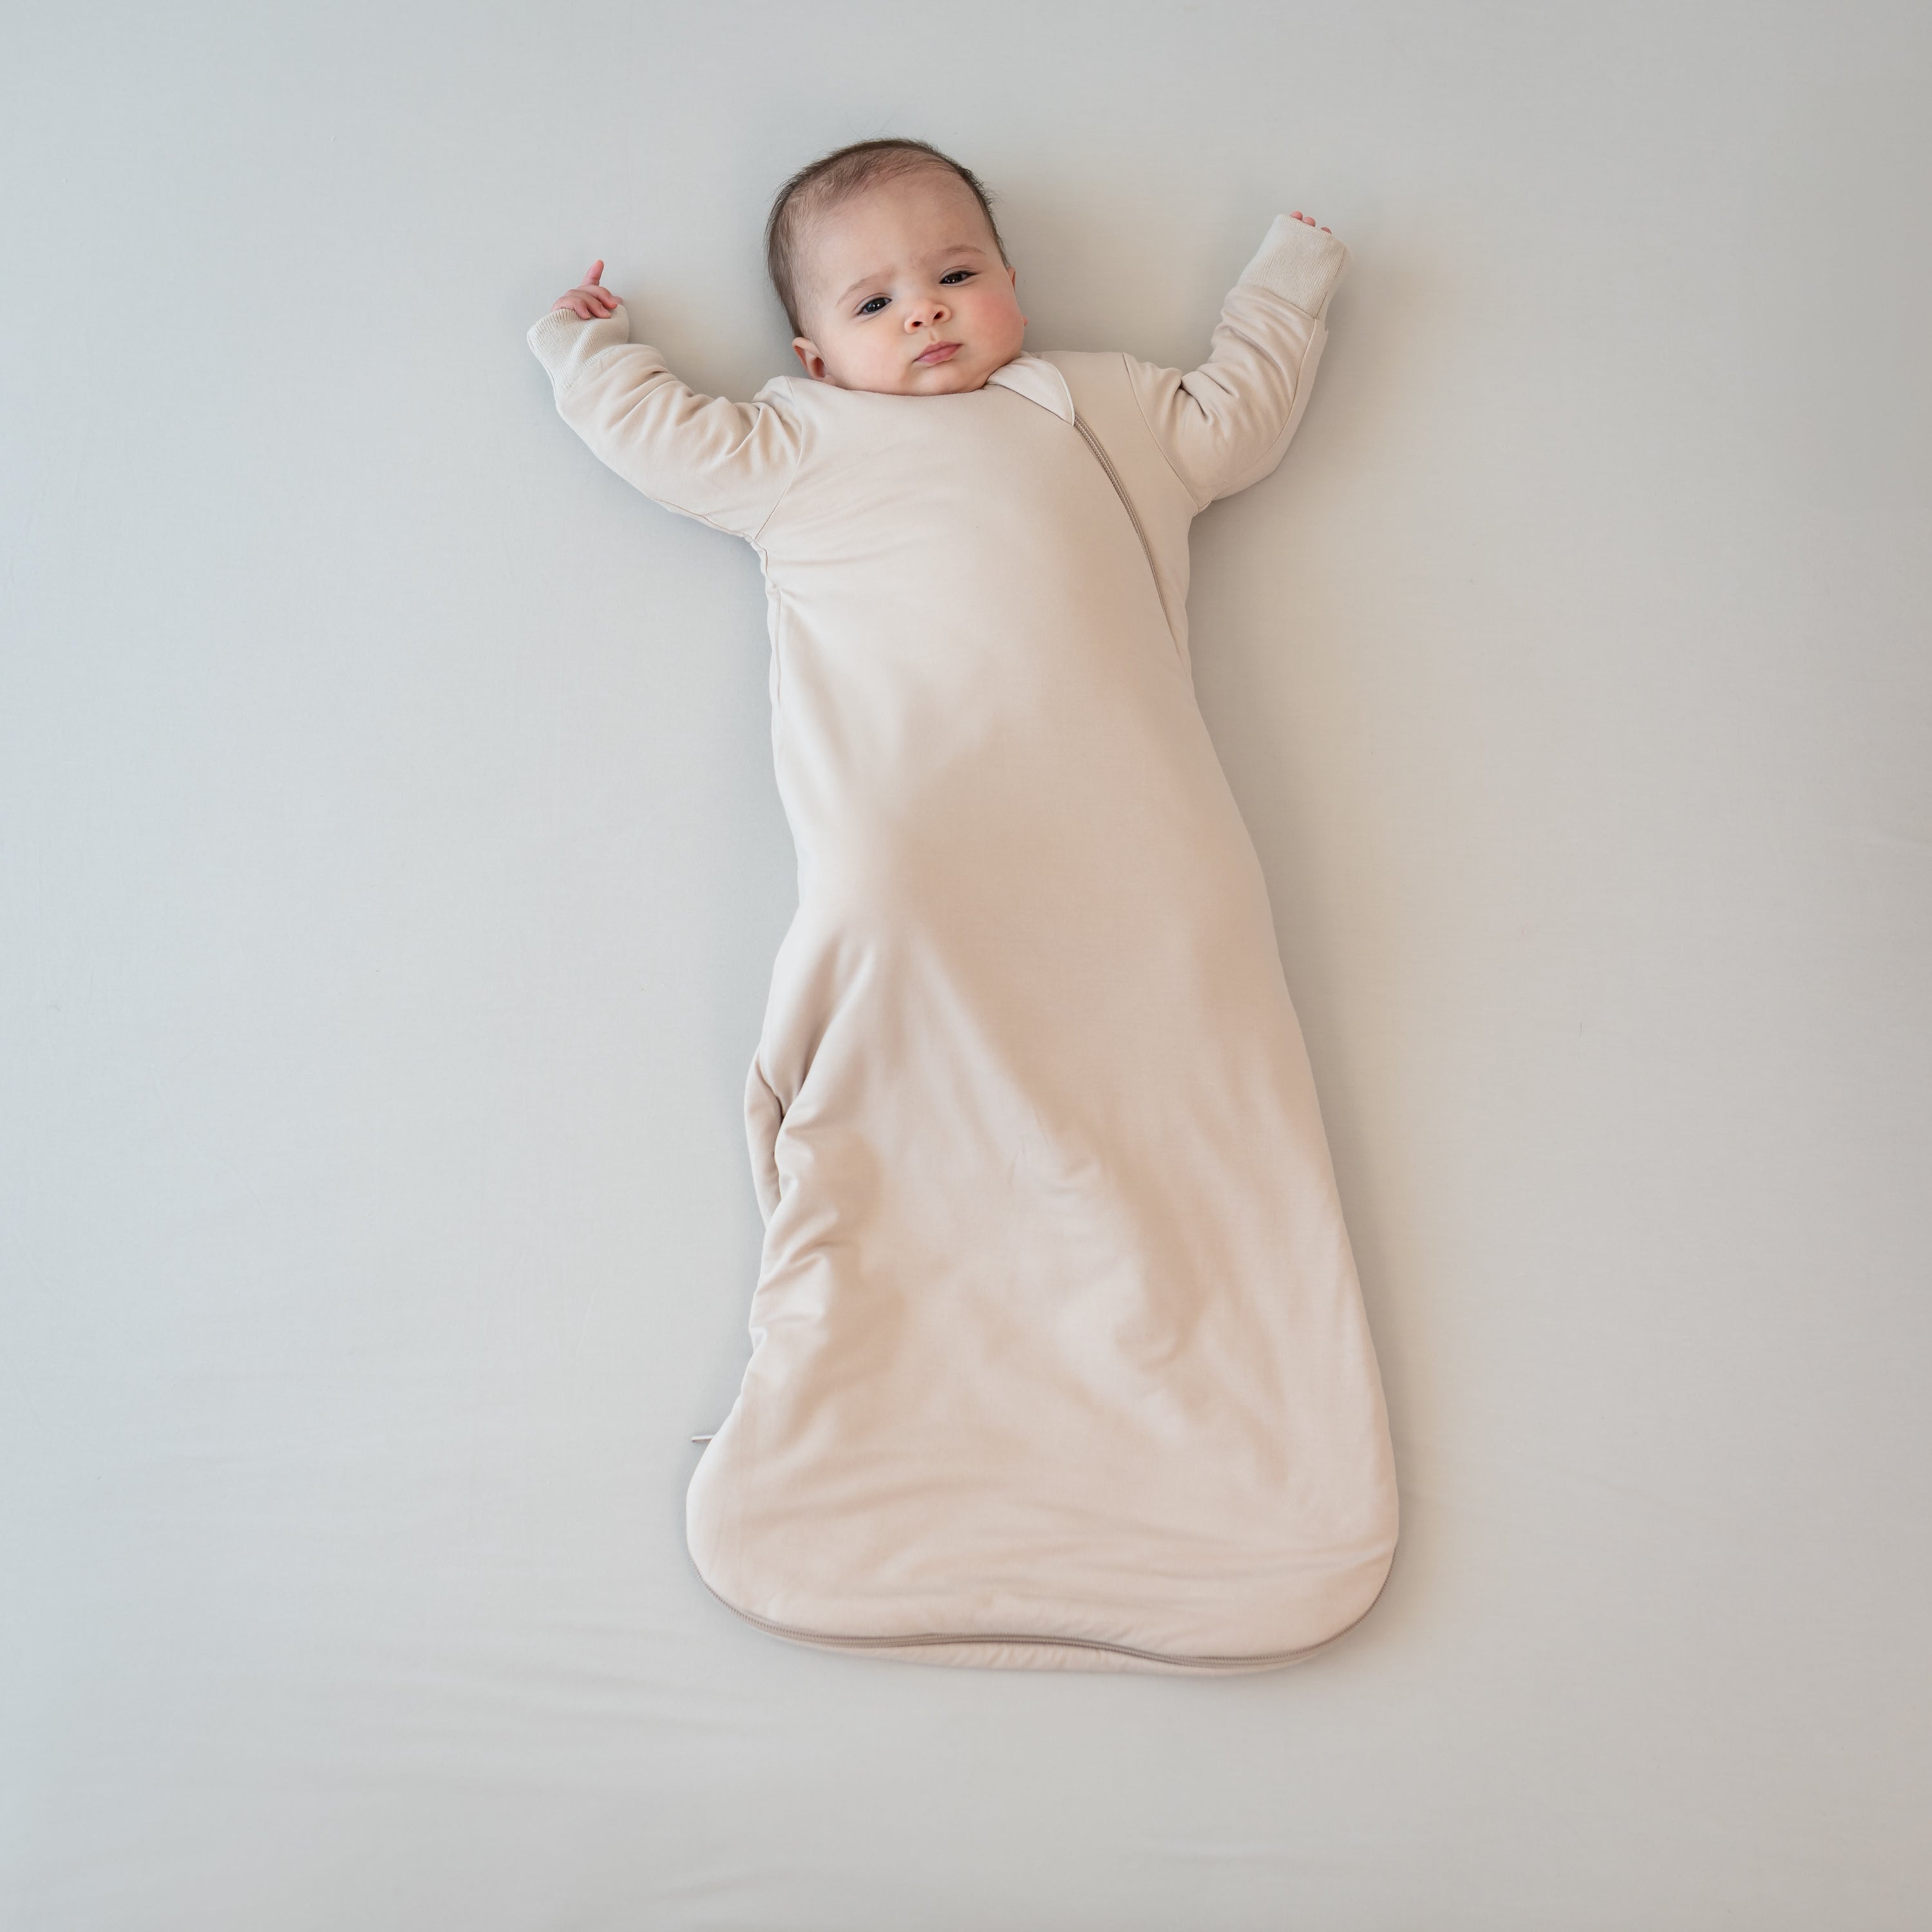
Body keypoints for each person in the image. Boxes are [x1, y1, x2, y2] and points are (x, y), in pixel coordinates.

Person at [526, 138, 1398, 1674]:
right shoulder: (799, 444)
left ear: (1012, 287)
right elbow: (661, 439)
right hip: (920, 844)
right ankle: (887, 1411)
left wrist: (1290, 282)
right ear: (814, 354)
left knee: (1191, 1089)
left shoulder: (1105, 410)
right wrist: (587, 349)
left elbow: (1239, 416)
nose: (924, 312)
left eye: (955, 274)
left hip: (1142, 852)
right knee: (891, 975)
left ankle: (1221, 1466)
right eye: (873, 302)